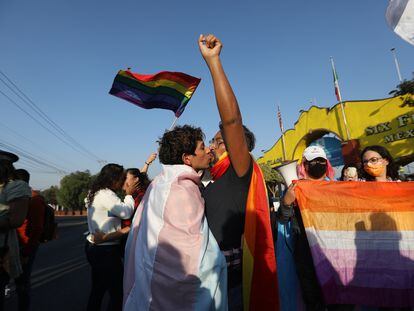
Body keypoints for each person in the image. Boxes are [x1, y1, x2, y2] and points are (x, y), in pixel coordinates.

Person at [198, 34, 278, 310]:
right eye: (212, 141)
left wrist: (214, 62)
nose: (210, 147)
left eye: (218, 142)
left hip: (232, 286)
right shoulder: (207, 181)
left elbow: (231, 121)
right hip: (206, 281)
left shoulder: (240, 172)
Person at [123, 125, 227, 311]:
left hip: (147, 285)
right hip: (173, 295)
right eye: (202, 147)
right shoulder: (182, 190)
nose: (209, 149)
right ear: (187, 158)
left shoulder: (159, 183)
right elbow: (196, 254)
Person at [280, 145, 355, 311]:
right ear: (304, 166)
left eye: (321, 161)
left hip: (337, 254)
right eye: (312, 162)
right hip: (307, 255)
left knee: (342, 300)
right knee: (313, 300)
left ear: (326, 164)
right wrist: (286, 202)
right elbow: (282, 219)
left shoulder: (337, 189)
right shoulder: (294, 190)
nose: (317, 164)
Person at [84, 163, 137, 311]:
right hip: (105, 251)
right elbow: (125, 212)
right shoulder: (106, 194)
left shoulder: (95, 192)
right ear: (113, 179)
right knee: (117, 293)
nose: (123, 182)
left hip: (96, 248)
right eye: (121, 178)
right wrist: (129, 194)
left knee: (98, 290)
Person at [92, 153, 156, 245]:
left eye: (125, 178)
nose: (122, 181)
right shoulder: (130, 195)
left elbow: (135, 224)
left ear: (136, 180)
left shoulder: (141, 197)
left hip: (134, 242)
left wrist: (104, 238)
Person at [0, 151, 31, 311]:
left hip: (2, 251)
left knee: (22, 284)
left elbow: (15, 221)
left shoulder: (16, 187)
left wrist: (26, 249)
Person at [14, 169, 45, 311]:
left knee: (22, 283)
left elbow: (37, 228)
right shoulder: (17, 197)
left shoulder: (34, 199)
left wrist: (26, 252)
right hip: (14, 245)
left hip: (25, 246)